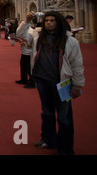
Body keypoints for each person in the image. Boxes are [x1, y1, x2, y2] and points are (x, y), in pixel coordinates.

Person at [19, 11, 85, 155]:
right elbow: (21, 36)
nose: (48, 23)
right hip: (42, 80)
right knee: (47, 113)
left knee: (64, 117)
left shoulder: (70, 41)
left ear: (59, 22)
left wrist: (78, 85)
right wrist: (26, 21)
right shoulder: (38, 38)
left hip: (63, 83)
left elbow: (77, 65)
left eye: (52, 21)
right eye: (47, 21)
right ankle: (48, 139)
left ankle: (65, 148)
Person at [15, 18, 38, 89]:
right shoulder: (25, 31)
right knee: (23, 66)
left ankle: (32, 81)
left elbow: (33, 44)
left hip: (29, 53)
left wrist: (25, 43)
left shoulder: (31, 32)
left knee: (29, 68)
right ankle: (23, 79)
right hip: (24, 52)